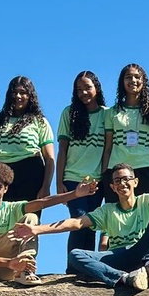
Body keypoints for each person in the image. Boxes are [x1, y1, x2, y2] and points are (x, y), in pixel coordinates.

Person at [57, 71, 109, 261]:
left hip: (97, 180)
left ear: (97, 88)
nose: (83, 93)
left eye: (87, 87)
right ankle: (74, 265)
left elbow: (108, 148)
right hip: (72, 178)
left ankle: (88, 266)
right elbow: (62, 149)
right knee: (78, 220)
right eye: (79, 89)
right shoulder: (69, 113)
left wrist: (104, 177)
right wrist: (59, 182)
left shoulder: (106, 114)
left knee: (92, 223)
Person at [0, 75, 55, 203]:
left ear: (30, 96)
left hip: (30, 172)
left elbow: (49, 159)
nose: (18, 96)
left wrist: (46, 187)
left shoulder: (40, 121)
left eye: (23, 93)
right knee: (1, 219)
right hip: (0, 174)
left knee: (28, 219)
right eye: (14, 92)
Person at [101, 63, 149, 200]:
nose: (133, 81)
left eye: (137, 77)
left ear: (144, 81)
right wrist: (105, 173)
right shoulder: (112, 112)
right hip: (117, 171)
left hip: (146, 169)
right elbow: (108, 146)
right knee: (116, 218)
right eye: (128, 77)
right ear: (122, 82)